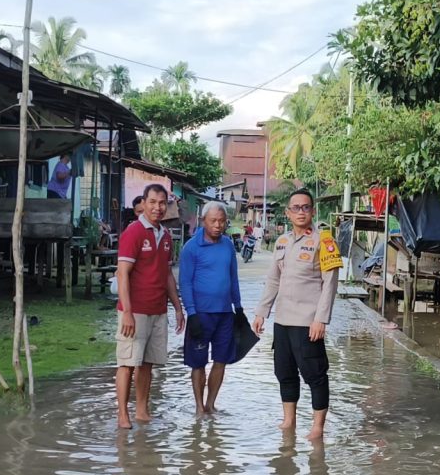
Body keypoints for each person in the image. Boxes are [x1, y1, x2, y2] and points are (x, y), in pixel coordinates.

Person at [253, 189, 341, 441]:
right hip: (282, 320)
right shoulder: (282, 242)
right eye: (296, 208)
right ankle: (288, 420)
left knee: (315, 374)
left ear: (312, 211)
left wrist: (321, 319)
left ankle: (317, 428)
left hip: (308, 322)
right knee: (285, 373)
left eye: (306, 207)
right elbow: (273, 280)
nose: (301, 212)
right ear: (288, 213)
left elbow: (330, 284)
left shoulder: (325, 242)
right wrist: (261, 312)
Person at [115, 183, 186, 429]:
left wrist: (177, 307)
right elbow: (122, 274)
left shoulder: (165, 236)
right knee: (127, 363)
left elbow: (167, 274)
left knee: (147, 364)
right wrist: (126, 312)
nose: (157, 207)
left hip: (158, 309)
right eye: (153, 202)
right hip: (134, 311)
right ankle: (123, 414)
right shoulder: (133, 232)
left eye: (162, 203)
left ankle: (142, 411)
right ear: (143, 204)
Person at [178, 201, 245, 416]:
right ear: (203, 221)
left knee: (221, 360)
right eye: (213, 221)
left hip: (225, 314)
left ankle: (211, 404)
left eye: (222, 221)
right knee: (198, 362)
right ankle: (199, 407)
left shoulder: (227, 245)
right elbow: (185, 282)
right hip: (201, 314)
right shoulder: (191, 248)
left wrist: (239, 308)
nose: (218, 225)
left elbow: (233, 278)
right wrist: (191, 313)